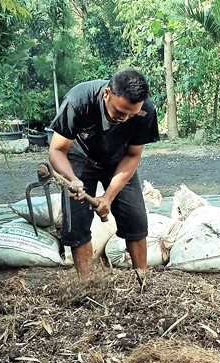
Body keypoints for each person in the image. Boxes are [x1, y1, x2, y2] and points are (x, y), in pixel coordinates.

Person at [48, 68, 160, 278]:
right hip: (78, 156)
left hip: (118, 158)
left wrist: (108, 197)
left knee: (136, 219)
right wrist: (73, 180)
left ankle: (142, 281)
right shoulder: (79, 101)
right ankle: (87, 284)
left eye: (131, 114)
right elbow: (57, 150)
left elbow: (133, 156)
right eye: (119, 112)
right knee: (77, 222)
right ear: (107, 93)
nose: (125, 118)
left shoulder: (146, 111)